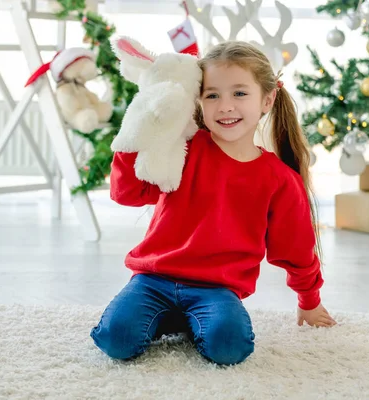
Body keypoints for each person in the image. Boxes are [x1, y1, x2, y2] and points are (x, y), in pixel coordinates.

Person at [90, 40, 336, 366]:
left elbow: (296, 247)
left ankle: (191, 320)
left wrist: (309, 300)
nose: (225, 106)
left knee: (230, 348)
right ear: (199, 101)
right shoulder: (183, 146)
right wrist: (137, 132)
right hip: (153, 280)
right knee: (116, 340)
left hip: (216, 290)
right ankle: (170, 318)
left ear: (267, 99)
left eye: (239, 93)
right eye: (212, 95)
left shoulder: (278, 179)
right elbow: (127, 193)